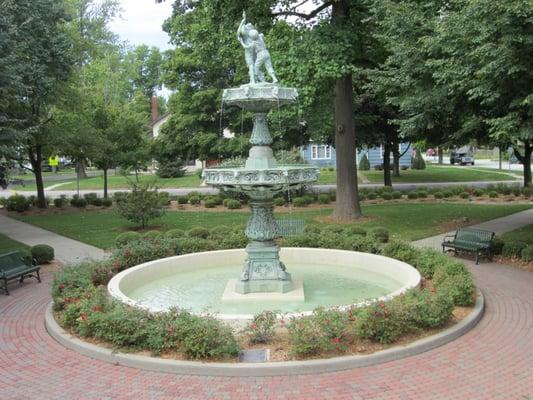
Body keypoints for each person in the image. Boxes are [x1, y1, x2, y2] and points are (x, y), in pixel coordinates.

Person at [237, 12, 278, 84]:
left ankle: (254, 80)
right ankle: (274, 78)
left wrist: (241, 41)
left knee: (255, 66)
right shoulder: (261, 36)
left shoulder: (253, 43)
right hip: (266, 52)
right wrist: (244, 20)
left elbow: (246, 46)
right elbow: (261, 35)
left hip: (260, 54)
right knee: (269, 66)